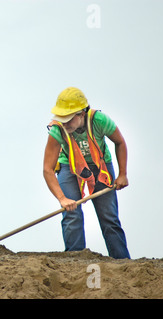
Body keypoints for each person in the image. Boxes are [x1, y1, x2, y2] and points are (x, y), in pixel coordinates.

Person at [43, 87, 130, 259]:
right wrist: (62, 198)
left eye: (68, 119)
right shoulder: (57, 130)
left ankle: (122, 262)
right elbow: (47, 169)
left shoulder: (99, 120)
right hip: (70, 167)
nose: (65, 123)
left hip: (100, 166)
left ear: (81, 113)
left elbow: (120, 142)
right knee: (71, 214)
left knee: (109, 218)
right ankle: (75, 261)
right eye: (62, 119)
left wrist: (122, 174)